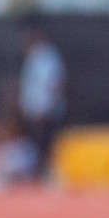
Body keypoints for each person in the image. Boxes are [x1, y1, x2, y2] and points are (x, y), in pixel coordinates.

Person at [18, 26, 66, 183]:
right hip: (35, 110)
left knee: (45, 143)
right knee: (35, 142)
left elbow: (56, 84)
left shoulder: (48, 58)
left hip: (46, 110)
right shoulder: (33, 58)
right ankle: (36, 172)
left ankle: (44, 173)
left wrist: (49, 107)